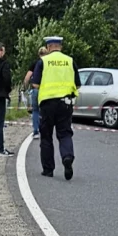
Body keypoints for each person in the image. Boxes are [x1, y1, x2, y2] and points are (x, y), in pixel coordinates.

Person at [30, 36, 80, 180]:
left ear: (48, 47)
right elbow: (77, 85)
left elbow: (35, 85)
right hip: (65, 103)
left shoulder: (43, 61)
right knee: (64, 133)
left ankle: (48, 169)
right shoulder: (70, 61)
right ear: (60, 47)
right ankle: (67, 157)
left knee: (46, 136)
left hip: (47, 103)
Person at [24, 46, 48, 140]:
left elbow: (27, 77)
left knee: (35, 110)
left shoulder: (35, 63)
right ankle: (45, 130)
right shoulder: (47, 63)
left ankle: (35, 131)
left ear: (39, 54)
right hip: (45, 89)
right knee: (45, 110)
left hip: (35, 89)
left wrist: (25, 87)